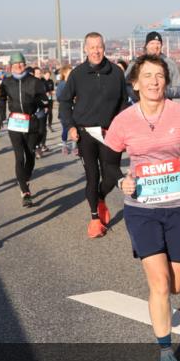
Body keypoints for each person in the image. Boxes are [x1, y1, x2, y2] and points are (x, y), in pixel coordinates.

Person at [103, 54, 180, 361]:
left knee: (177, 285)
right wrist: (120, 181)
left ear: (166, 82)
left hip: (179, 208)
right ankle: (166, 351)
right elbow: (109, 162)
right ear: (136, 83)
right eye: (148, 76)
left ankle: (171, 306)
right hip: (142, 210)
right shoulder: (124, 120)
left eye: (160, 76)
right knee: (159, 283)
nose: (154, 82)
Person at [58, 32, 129, 238]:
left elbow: (124, 102)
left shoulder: (116, 72)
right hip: (85, 132)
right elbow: (64, 101)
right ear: (85, 49)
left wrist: (122, 124)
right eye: (92, 47)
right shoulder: (77, 74)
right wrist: (70, 125)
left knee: (110, 176)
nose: (96, 51)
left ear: (104, 47)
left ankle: (100, 198)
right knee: (92, 175)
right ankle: (95, 219)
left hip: (110, 133)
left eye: (99, 47)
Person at [0, 53, 49, 207]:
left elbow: (45, 102)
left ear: (25, 64)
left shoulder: (35, 81)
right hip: (15, 122)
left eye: (21, 63)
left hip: (32, 121)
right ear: (10, 66)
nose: (19, 66)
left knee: (31, 155)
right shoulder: (6, 82)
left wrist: (42, 107)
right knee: (19, 157)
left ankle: (25, 179)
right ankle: (25, 191)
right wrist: (2, 116)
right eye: (15, 64)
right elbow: (2, 99)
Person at [124, 31, 180, 103]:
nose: (155, 46)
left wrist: (161, 91)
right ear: (146, 45)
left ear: (161, 46)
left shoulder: (171, 64)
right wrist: (139, 95)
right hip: (140, 105)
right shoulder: (136, 63)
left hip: (164, 107)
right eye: (152, 43)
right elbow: (126, 85)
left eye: (158, 43)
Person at [55, 63, 76, 156]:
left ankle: (74, 147)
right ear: (64, 74)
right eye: (69, 73)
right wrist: (69, 98)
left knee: (75, 127)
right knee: (65, 129)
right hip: (64, 110)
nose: (71, 74)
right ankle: (64, 145)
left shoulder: (75, 83)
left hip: (75, 109)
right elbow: (59, 97)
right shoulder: (62, 84)